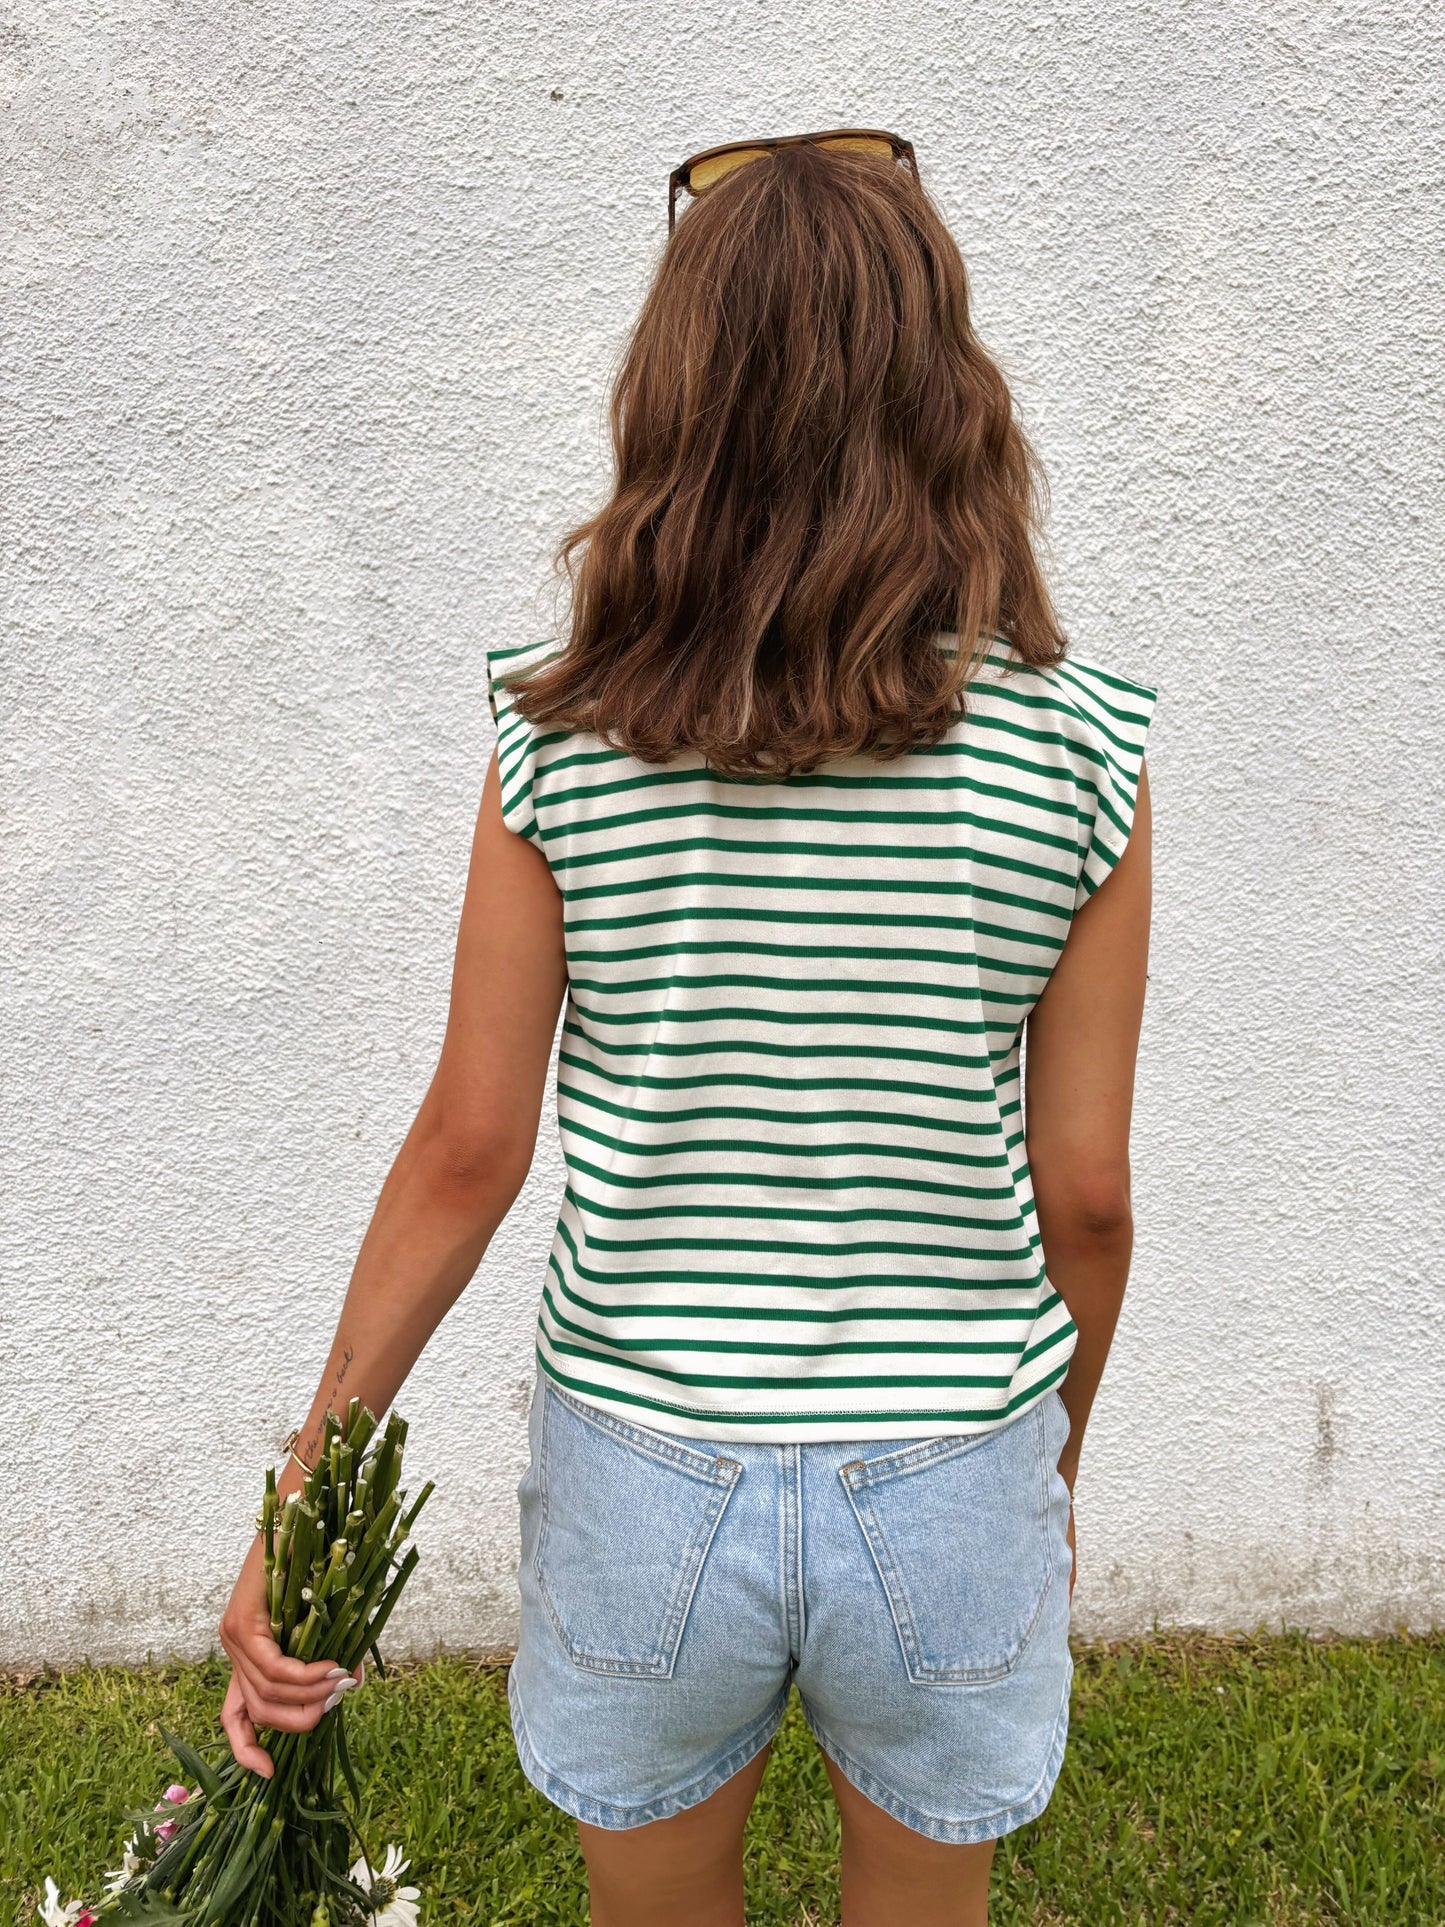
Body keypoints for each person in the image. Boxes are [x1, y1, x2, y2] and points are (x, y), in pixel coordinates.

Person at [217, 127, 1158, 1927]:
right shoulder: (1085, 746)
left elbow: (471, 1146)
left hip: (645, 1463)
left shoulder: (556, 734)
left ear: (676, 395)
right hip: (951, 1453)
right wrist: (1044, 1462)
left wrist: (310, 1470)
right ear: (943, 388)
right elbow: (1088, 1195)